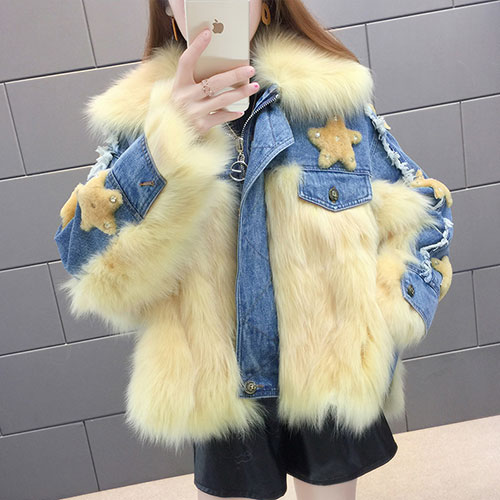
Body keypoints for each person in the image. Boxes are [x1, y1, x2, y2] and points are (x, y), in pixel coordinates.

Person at [53, 1, 455, 499]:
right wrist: (162, 145)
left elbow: (426, 211)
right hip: (219, 389)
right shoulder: (139, 121)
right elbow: (83, 258)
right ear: (170, 11)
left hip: (326, 370)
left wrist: (385, 322)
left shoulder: (329, 99)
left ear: (264, 6)